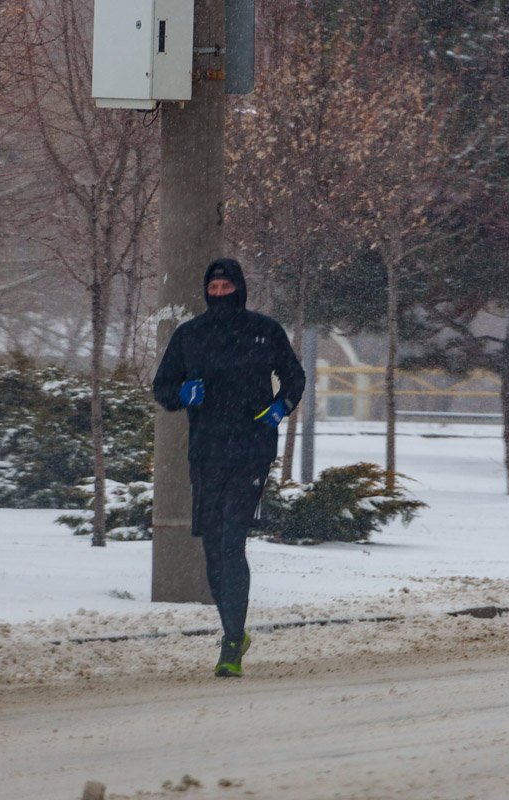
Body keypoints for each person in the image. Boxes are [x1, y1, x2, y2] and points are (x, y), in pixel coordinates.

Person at [152, 257, 305, 677]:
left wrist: (281, 407)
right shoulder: (190, 335)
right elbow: (161, 388)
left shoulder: (264, 331)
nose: (220, 295)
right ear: (206, 292)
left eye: (226, 288)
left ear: (241, 289)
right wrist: (182, 392)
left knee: (231, 541)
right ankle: (233, 628)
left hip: (252, 449)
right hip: (207, 452)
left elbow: (295, 377)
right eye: (214, 289)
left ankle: (232, 642)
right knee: (213, 547)